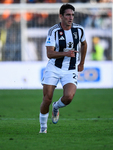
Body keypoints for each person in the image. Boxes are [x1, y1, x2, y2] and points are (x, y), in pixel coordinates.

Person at [39, 3, 87, 133]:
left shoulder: (79, 30)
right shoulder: (53, 31)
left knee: (69, 97)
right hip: (54, 68)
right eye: (67, 15)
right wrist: (66, 53)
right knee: (47, 98)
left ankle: (56, 106)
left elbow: (84, 44)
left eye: (72, 15)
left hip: (70, 69)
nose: (70, 18)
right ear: (61, 16)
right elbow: (49, 54)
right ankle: (43, 129)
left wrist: (81, 62)